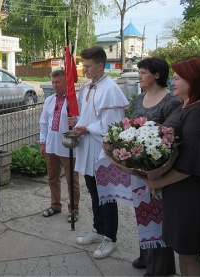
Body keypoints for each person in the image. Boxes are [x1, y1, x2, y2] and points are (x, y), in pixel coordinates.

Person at [145, 57, 200, 276]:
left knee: (190, 253)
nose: (172, 82)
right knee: (183, 250)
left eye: (177, 78)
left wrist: (158, 181)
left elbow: (192, 163)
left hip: (192, 193)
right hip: (178, 191)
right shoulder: (184, 106)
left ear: (193, 80)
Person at [73, 46, 129, 259]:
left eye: (87, 66)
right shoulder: (88, 87)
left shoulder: (110, 89)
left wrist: (87, 128)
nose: (84, 69)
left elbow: (113, 127)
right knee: (93, 191)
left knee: (107, 195)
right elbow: (86, 116)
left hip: (102, 150)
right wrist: (77, 125)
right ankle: (98, 229)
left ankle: (110, 238)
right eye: (83, 65)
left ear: (99, 65)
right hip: (87, 147)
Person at [130, 58, 180, 276]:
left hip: (159, 168)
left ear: (157, 75)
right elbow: (131, 127)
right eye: (139, 72)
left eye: (143, 72)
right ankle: (146, 255)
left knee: (158, 218)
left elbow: (172, 138)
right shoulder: (140, 98)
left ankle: (160, 267)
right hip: (138, 166)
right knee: (143, 211)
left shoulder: (171, 102)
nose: (139, 76)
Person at [39, 69, 80, 222]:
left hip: (67, 146)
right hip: (51, 145)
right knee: (53, 178)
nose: (55, 85)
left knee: (72, 180)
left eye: (58, 82)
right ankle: (55, 205)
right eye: (53, 82)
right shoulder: (49, 100)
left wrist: (76, 122)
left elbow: (83, 121)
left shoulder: (74, 101)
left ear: (66, 82)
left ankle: (74, 209)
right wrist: (42, 142)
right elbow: (43, 122)